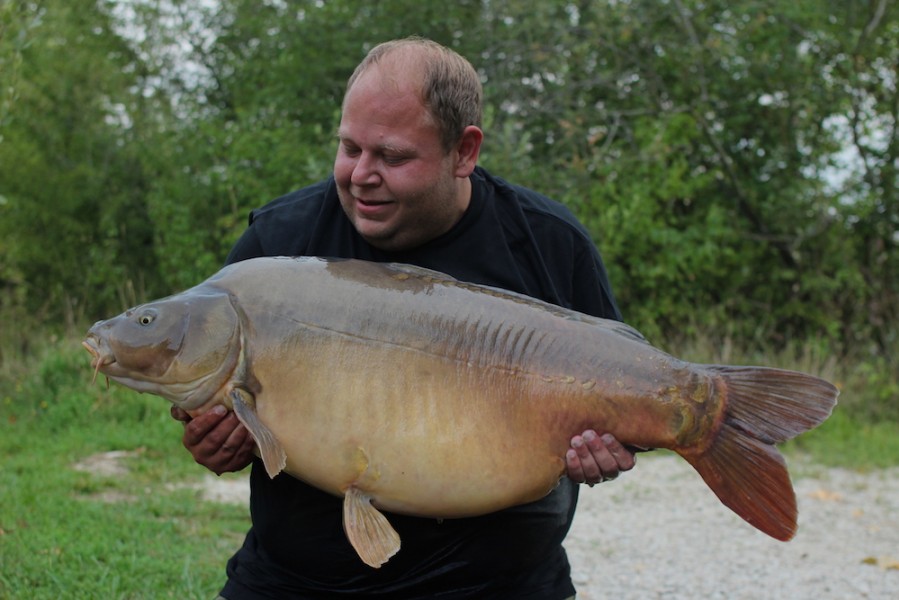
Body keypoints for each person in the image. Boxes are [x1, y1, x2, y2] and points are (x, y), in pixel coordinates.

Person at [172, 37, 636, 599]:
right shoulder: (278, 246)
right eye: (349, 148)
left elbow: (624, 397)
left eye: (392, 157)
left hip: (500, 583)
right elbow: (227, 415)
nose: (361, 175)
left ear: (464, 152)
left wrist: (610, 446)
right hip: (299, 582)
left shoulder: (548, 245)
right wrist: (217, 444)